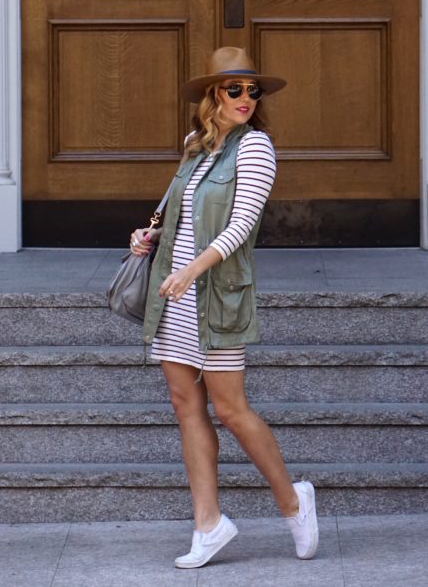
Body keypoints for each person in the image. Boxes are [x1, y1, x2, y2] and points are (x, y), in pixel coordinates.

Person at [129, 47, 318, 569]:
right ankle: (208, 524)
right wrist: (152, 234)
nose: (246, 99)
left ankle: (292, 500)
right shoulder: (196, 146)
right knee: (183, 402)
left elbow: (241, 226)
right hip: (175, 291)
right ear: (213, 94)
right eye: (234, 90)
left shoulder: (256, 148)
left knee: (230, 409)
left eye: (252, 90)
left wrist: (193, 269)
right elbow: (184, 216)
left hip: (216, 293)